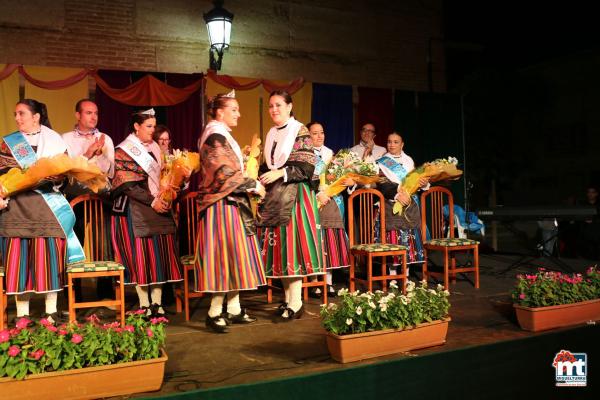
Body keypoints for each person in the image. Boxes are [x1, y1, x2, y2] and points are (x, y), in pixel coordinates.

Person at [0, 99, 84, 324]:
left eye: (21, 114)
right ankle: (22, 315)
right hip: (17, 210)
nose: (17, 118)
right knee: (19, 263)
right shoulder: (9, 143)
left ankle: (50, 312)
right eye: (15, 114)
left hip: (48, 210)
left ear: (36, 116)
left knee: (50, 261)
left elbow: (67, 176)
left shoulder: (55, 142)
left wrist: (59, 176)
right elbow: (3, 172)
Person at [195, 91, 267, 333]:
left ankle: (234, 308)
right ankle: (214, 312)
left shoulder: (221, 134)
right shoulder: (214, 135)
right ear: (220, 112)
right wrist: (252, 184)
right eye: (234, 109)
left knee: (234, 255)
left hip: (230, 203)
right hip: (220, 205)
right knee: (222, 256)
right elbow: (222, 172)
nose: (239, 113)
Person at [257, 90, 324, 320]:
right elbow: (266, 166)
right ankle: (287, 299)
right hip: (276, 196)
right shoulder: (271, 133)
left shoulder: (300, 130)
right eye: (271, 106)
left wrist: (279, 173)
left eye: (278, 105)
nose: (274, 109)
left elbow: (306, 167)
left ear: (289, 106)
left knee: (292, 251)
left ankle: (296, 303)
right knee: (281, 251)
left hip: (296, 197)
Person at [110, 109, 182, 317]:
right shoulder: (123, 150)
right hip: (135, 208)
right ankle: (144, 303)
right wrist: (153, 202)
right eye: (149, 126)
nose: (153, 131)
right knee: (141, 257)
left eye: (154, 126)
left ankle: (157, 303)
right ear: (136, 126)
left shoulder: (155, 149)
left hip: (158, 206)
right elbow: (127, 185)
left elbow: (164, 177)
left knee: (159, 255)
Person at [63, 99, 115, 303]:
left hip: (100, 197)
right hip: (74, 196)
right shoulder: (65, 138)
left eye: (96, 113)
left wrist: (100, 154)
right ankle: (74, 294)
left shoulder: (106, 139)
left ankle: (105, 292)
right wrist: (87, 153)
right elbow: (65, 170)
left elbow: (110, 172)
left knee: (103, 243)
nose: (93, 117)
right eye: (88, 113)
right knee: (75, 244)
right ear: (78, 115)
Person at [308, 121, 350, 297]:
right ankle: (312, 282)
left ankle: (328, 281)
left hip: (330, 201)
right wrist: (319, 193)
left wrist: (348, 180)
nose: (319, 136)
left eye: (322, 132)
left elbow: (336, 179)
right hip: (312, 200)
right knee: (315, 241)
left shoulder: (330, 153)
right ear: (308, 136)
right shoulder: (305, 153)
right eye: (315, 133)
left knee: (329, 240)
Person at [375, 132, 428, 273]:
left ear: (402, 144)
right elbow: (382, 183)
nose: (391, 145)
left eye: (395, 142)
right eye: (389, 142)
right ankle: (392, 277)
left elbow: (414, 181)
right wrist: (397, 193)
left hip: (409, 206)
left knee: (409, 241)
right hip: (391, 204)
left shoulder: (409, 160)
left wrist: (422, 183)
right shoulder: (382, 161)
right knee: (394, 240)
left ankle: (406, 277)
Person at [580, 186, 600, 260]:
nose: (590, 194)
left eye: (592, 192)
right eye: (589, 192)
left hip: (597, 234)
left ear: (596, 194)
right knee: (587, 256)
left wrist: (594, 220)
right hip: (586, 234)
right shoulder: (583, 204)